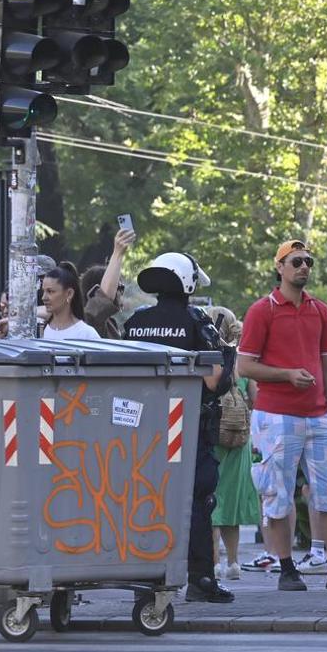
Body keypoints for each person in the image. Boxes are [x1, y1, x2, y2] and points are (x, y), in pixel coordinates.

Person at [237, 240, 327, 592]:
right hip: (275, 415)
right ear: (279, 267)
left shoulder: (321, 311)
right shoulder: (261, 310)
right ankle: (286, 569)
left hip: (319, 417)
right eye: (296, 261)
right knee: (276, 493)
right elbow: (244, 365)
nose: (303, 267)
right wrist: (287, 374)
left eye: (308, 262)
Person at [124, 251, 234, 603]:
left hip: (141, 431)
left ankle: (146, 579)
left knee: (146, 501)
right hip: (186, 430)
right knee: (198, 502)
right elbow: (216, 381)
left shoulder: (137, 321)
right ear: (186, 282)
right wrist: (228, 355)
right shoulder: (196, 321)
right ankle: (200, 580)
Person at [206, 307, 259, 583]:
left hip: (214, 437)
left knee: (212, 499)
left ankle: (213, 562)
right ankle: (234, 562)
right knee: (232, 504)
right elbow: (255, 398)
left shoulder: (209, 358)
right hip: (239, 439)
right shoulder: (242, 359)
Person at [79, 226, 135, 338]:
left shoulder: (109, 322)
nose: (121, 293)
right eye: (119, 287)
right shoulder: (91, 319)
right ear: (96, 290)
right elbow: (104, 298)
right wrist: (118, 253)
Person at [37, 265, 101, 341]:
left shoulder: (86, 334)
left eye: (50, 291)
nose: (44, 297)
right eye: (44, 291)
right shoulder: (43, 330)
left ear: (69, 293)